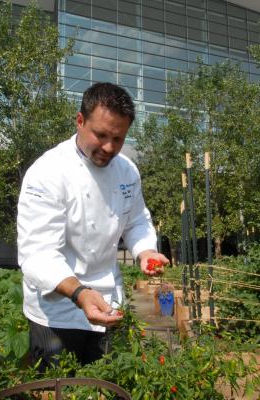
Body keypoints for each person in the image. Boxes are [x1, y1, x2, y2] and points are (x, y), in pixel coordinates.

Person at [17, 82, 169, 369]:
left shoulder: (127, 170)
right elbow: (37, 253)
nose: (109, 147)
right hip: (56, 309)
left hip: (109, 300)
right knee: (58, 386)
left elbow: (136, 220)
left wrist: (145, 251)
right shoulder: (48, 173)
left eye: (118, 138)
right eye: (100, 135)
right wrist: (80, 293)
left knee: (107, 382)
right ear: (79, 121)